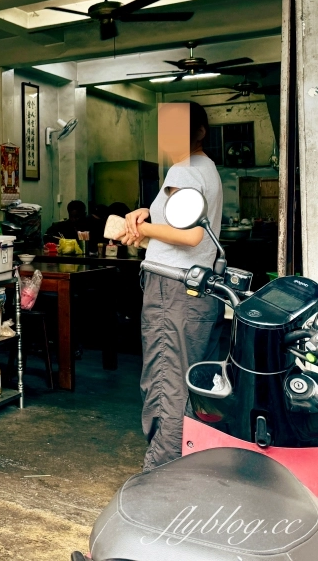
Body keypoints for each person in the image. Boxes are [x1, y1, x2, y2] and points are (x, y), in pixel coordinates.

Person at [118, 102, 223, 470]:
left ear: (198, 133)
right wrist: (145, 218)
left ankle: (160, 473)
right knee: (189, 381)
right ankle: (186, 464)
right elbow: (182, 226)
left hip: (173, 291)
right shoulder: (204, 168)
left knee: (166, 382)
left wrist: (140, 229)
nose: (169, 137)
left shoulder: (185, 169)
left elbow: (190, 234)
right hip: (195, 288)